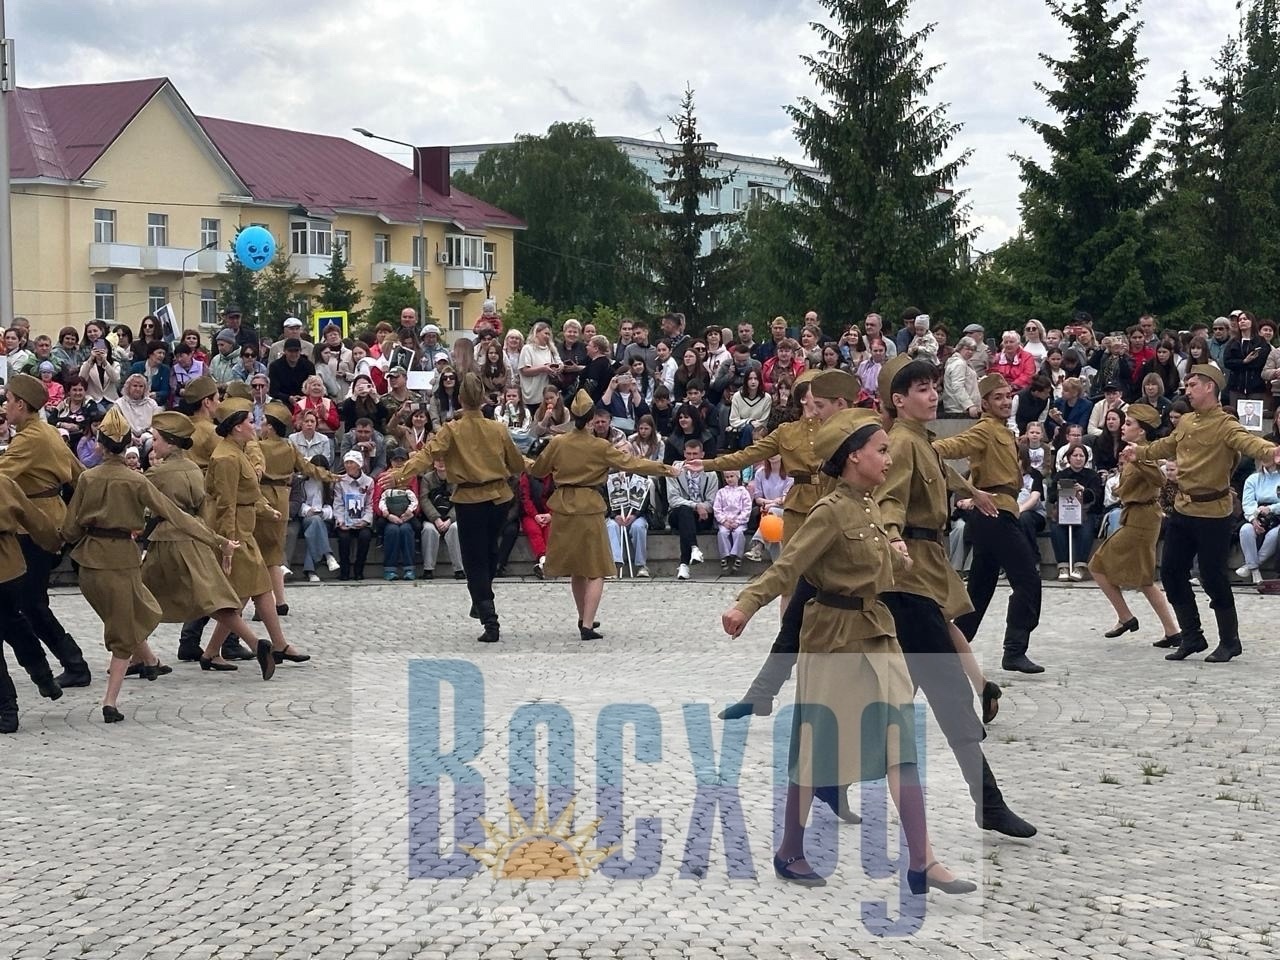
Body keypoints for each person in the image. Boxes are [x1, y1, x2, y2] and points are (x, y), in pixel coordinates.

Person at [721, 408, 976, 894]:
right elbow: (788, 567)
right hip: (832, 640)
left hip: (878, 633)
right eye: (880, 449)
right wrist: (746, 604)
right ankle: (790, 849)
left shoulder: (872, 507)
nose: (887, 456)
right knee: (818, 749)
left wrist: (898, 563)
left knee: (902, 746)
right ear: (853, 456)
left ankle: (923, 861)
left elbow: (876, 571)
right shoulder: (830, 511)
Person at [875, 355, 1036, 837]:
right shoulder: (900, 443)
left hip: (926, 573)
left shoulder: (921, 441)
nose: (931, 394)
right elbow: (888, 497)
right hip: (910, 579)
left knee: (897, 698)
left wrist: (976, 491)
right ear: (898, 400)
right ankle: (988, 803)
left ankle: (826, 778)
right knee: (946, 695)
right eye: (920, 388)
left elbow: (942, 470)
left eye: (932, 386)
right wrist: (893, 535)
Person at [59, 407, 248, 723]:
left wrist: (55, 541)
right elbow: (179, 517)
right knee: (128, 625)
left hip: (89, 563)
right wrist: (219, 541)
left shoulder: (88, 479)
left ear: (100, 445)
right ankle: (111, 700)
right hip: (122, 559)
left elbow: (70, 529)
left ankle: (147, 661)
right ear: (127, 445)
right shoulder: (136, 481)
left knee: (132, 617)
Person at [1127, 365, 1280, 662]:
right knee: (1171, 572)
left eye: (1193, 384)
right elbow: (1168, 444)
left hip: (1214, 512)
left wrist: (1271, 452)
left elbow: (1248, 441)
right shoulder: (1185, 422)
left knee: (1212, 577)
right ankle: (1192, 636)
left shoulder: (1225, 424)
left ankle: (1229, 640)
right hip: (1184, 508)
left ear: (1209, 387)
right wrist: (1140, 452)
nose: (1188, 389)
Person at [141, 412, 286, 676]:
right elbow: (205, 504)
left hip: (166, 543)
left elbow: (152, 511)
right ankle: (256, 642)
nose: (154, 445)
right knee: (214, 601)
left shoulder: (157, 474)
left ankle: (139, 657)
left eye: (158, 439)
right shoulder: (194, 469)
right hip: (197, 539)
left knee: (137, 600)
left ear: (172, 442)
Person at [528, 390, 674, 640]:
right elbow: (633, 464)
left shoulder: (558, 443)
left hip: (563, 505)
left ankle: (582, 616)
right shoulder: (600, 446)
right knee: (596, 568)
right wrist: (666, 469)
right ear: (593, 418)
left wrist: (519, 460)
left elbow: (539, 469)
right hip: (589, 505)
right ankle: (587, 623)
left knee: (576, 568)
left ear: (573, 416)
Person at [396, 373, 530, 643]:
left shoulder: (452, 429)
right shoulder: (498, 429)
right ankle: (482, 600)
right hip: (499, 499)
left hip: (470, 501)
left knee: (474, 560)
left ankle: (488, 615)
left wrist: (401, 473)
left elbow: (427, 455)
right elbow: (516, 464)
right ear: (482, 398)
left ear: (459, 399)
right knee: (490, 550)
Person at [934, 373, 1045, 673]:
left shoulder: (1004, 431)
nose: (1006, 401)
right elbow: (958, 444)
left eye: (1008, 396)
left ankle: (949, 651)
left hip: (996, 513)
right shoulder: (986, 429)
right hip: (994, 513)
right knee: (1028, 580)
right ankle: (1014, 649)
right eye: (998, 397)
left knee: (980, 589)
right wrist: (929, 447)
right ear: (984, 403)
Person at [0, 374, 93, 687]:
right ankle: (71, 662)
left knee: (31, 603)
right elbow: (80, 474)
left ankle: (74, 664)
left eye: (9, 400)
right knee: (31, 602)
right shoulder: (47, 430)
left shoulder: (30, 439)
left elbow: (1, 477)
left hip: (36, 528)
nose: (6, 405)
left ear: (22, 405)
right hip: (51, 520)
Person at [203, 396, 302, 670]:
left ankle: (212, 652)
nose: (254, 425)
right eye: (249, 421)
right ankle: (273, 645)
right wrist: (227, 543)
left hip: (243, 530)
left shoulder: (238, 451)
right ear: (236, 427)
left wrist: (266, 509)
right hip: (235, 535)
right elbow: (226, 503)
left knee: (250, 591)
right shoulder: (225, 457)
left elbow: (246, 493)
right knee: (253, 590)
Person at [1087, 404, 1180, 645]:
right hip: (1136, 515)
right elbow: (1125, 489)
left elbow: (1159, 478)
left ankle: (1127, 617)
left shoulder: (1145, 452)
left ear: (1141, 432)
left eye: (1129, 424)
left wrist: (1136, 461)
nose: (1123, 426)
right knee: (1144, 580)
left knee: (1097, 565)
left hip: (1141, 519)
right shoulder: (1134, 452)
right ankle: (1172, 631)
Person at [0, 476, 66, 733]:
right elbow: (34, 518)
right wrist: (54, 544)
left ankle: (7, 709)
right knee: (14, 622)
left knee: (12, 623)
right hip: (10, 568)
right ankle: (43, 675)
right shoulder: (4, 483)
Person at [257, 402, 331, 610]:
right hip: (282, 498)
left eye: (263, 422)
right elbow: (308, 468)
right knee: (274, 554)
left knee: (260, 555)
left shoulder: (258, 446)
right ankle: (280, 602)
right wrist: (331, 476)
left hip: (263, 498)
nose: (260, 426)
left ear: (270, 427)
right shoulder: (289, 446)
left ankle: (264, 604)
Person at [1047, 443, 1103, 581]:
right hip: (1064, 512)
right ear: (1069, 458)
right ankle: (1063, 566)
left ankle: (1080, 566)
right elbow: (1051, 497)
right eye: (1075, 455)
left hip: (1086, 513)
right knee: (1056, 528)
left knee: (1085, 529)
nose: (1078, 458)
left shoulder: (1093, 475)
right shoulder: (1060, 475)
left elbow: (1097, 497)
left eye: (1081, 456)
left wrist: (1083, 490)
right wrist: (1061, 490)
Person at [668, 439, 720, 580]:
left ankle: (685, 563)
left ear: (702, 454)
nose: (691, 458)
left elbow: (712, 502)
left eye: (695, 454)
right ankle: (694, 548)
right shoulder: (675, 471)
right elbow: (673, 500)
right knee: (685, 511)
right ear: (684, 453)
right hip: (678, 514)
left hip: (702, 516)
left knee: (687, 519)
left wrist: (702, 507)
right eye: (689, 454)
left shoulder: (711, 474)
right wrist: (696, 506)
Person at [1236, 458, 1280, 584]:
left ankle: (1249, 566)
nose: (1264, 458)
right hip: (1257, 514)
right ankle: (1255, 571)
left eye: (1269, 455)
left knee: (1274, 535)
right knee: (1246, 529)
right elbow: (1248, 502)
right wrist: (1253, 518)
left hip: (1276, 515)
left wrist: (1270, 508)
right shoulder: (1253, 479)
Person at [333, 450, 375, 580]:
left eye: (351, 462)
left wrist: (365, 521)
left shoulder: (369, 482)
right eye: (346, 463)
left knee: (365, 536)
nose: (348, 465)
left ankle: (359, 569)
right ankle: (344, 571)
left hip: (361, 520)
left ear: (359, 465)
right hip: (345, 520)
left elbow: (370, 504)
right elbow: (338, 503)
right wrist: (340, 520)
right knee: (344, 538)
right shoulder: (340, 481)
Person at [713, 469, 751, 573]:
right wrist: (724, 520)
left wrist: (738, 521)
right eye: (727, 477)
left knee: (738, 533)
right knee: (722, 533)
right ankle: (724, 555)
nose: (729, 479)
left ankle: (738, 555)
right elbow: (717, 508)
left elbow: (747, 508)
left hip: (739, 520)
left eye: (732, 476)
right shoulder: (721, 492)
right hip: (725, 520)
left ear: (737, 477)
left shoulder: (743, 491)